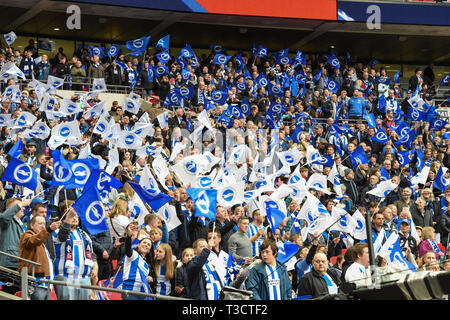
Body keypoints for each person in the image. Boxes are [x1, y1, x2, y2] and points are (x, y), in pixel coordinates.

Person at [52, 201, 95, 300]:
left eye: (76, 216)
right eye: (72, 215)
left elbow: (91, 252)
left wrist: (95, 264)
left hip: (85, 278)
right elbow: (62, 237)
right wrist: (69, 218)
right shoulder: (57, 231)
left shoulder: (84, 234)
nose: (75, 218)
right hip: (66, 277)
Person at [18, 215, 61, 300]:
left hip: (46, 284)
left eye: (44, 224)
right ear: (31, 225)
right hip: (36, 283)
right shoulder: (27, 235)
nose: (42, 226)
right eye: (39, 223)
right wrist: (48, 229)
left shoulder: (41, 241)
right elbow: (32, 241)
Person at [0, 197, 32, 295]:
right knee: (9, 294)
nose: (23, 208)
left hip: (21, 265)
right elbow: (4, 217)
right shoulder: (6, 221)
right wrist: (22, 203)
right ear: (11, 209)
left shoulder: (23, 224)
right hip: (9, 264)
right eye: (20, 206)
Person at [117, 222, 155, 300]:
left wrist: (150, 279)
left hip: (141, 294)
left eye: (148, 245)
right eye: (144, 242)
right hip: (130, 292)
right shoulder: (133, 254)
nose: (146, 245)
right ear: (138, 245)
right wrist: (129, 236)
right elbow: (128, 249)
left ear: (149, 250)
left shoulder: (146, 265)